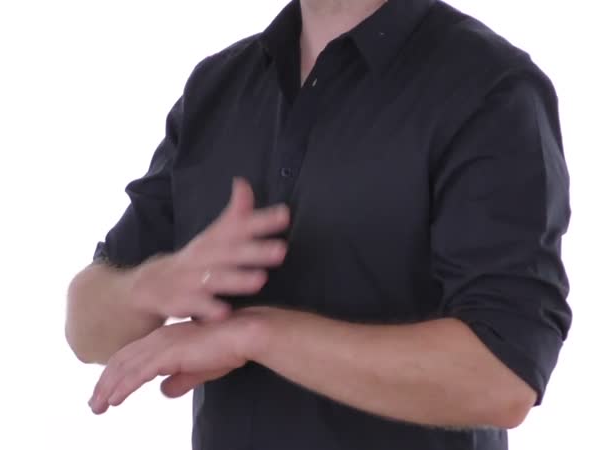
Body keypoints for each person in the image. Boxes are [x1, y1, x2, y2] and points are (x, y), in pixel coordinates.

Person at [65, 0, 572, 449]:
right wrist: (148, 288)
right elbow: (85, 330)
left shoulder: (489, 87)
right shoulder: (216, 87)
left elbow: (502, 378)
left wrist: (256, 334)